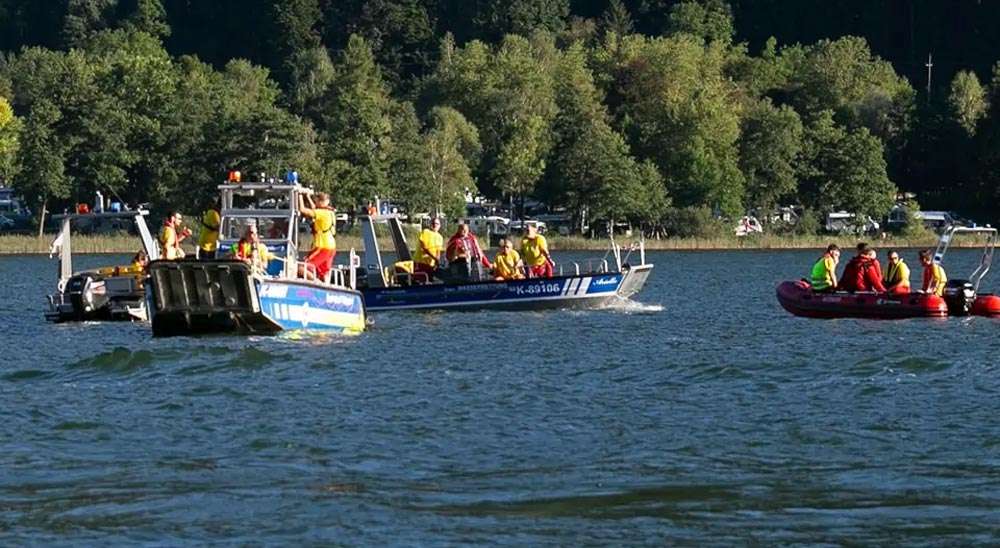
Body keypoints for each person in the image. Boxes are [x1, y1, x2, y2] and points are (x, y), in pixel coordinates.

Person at [298, 191, 336, 281]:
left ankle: (317, 283)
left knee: (301, 268)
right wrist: (308, 197)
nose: (315, 203)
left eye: (316, 201)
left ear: (320, 201)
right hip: (331, 247)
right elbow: (315, 208)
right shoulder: (330, 212)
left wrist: (299, 195)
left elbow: (303, 210)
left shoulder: (322, 213)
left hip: (322, 246)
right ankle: (326, 287)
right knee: (323, 272)